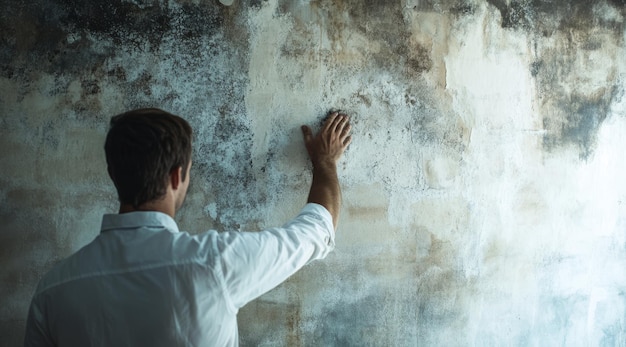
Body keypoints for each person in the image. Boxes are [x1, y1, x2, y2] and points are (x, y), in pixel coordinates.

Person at [23, 108, 352, 346]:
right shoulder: (213, 264)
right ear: (177, 176)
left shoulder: (53, 290)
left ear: (115, 174)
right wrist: (324, 162)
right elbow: (317, 230)